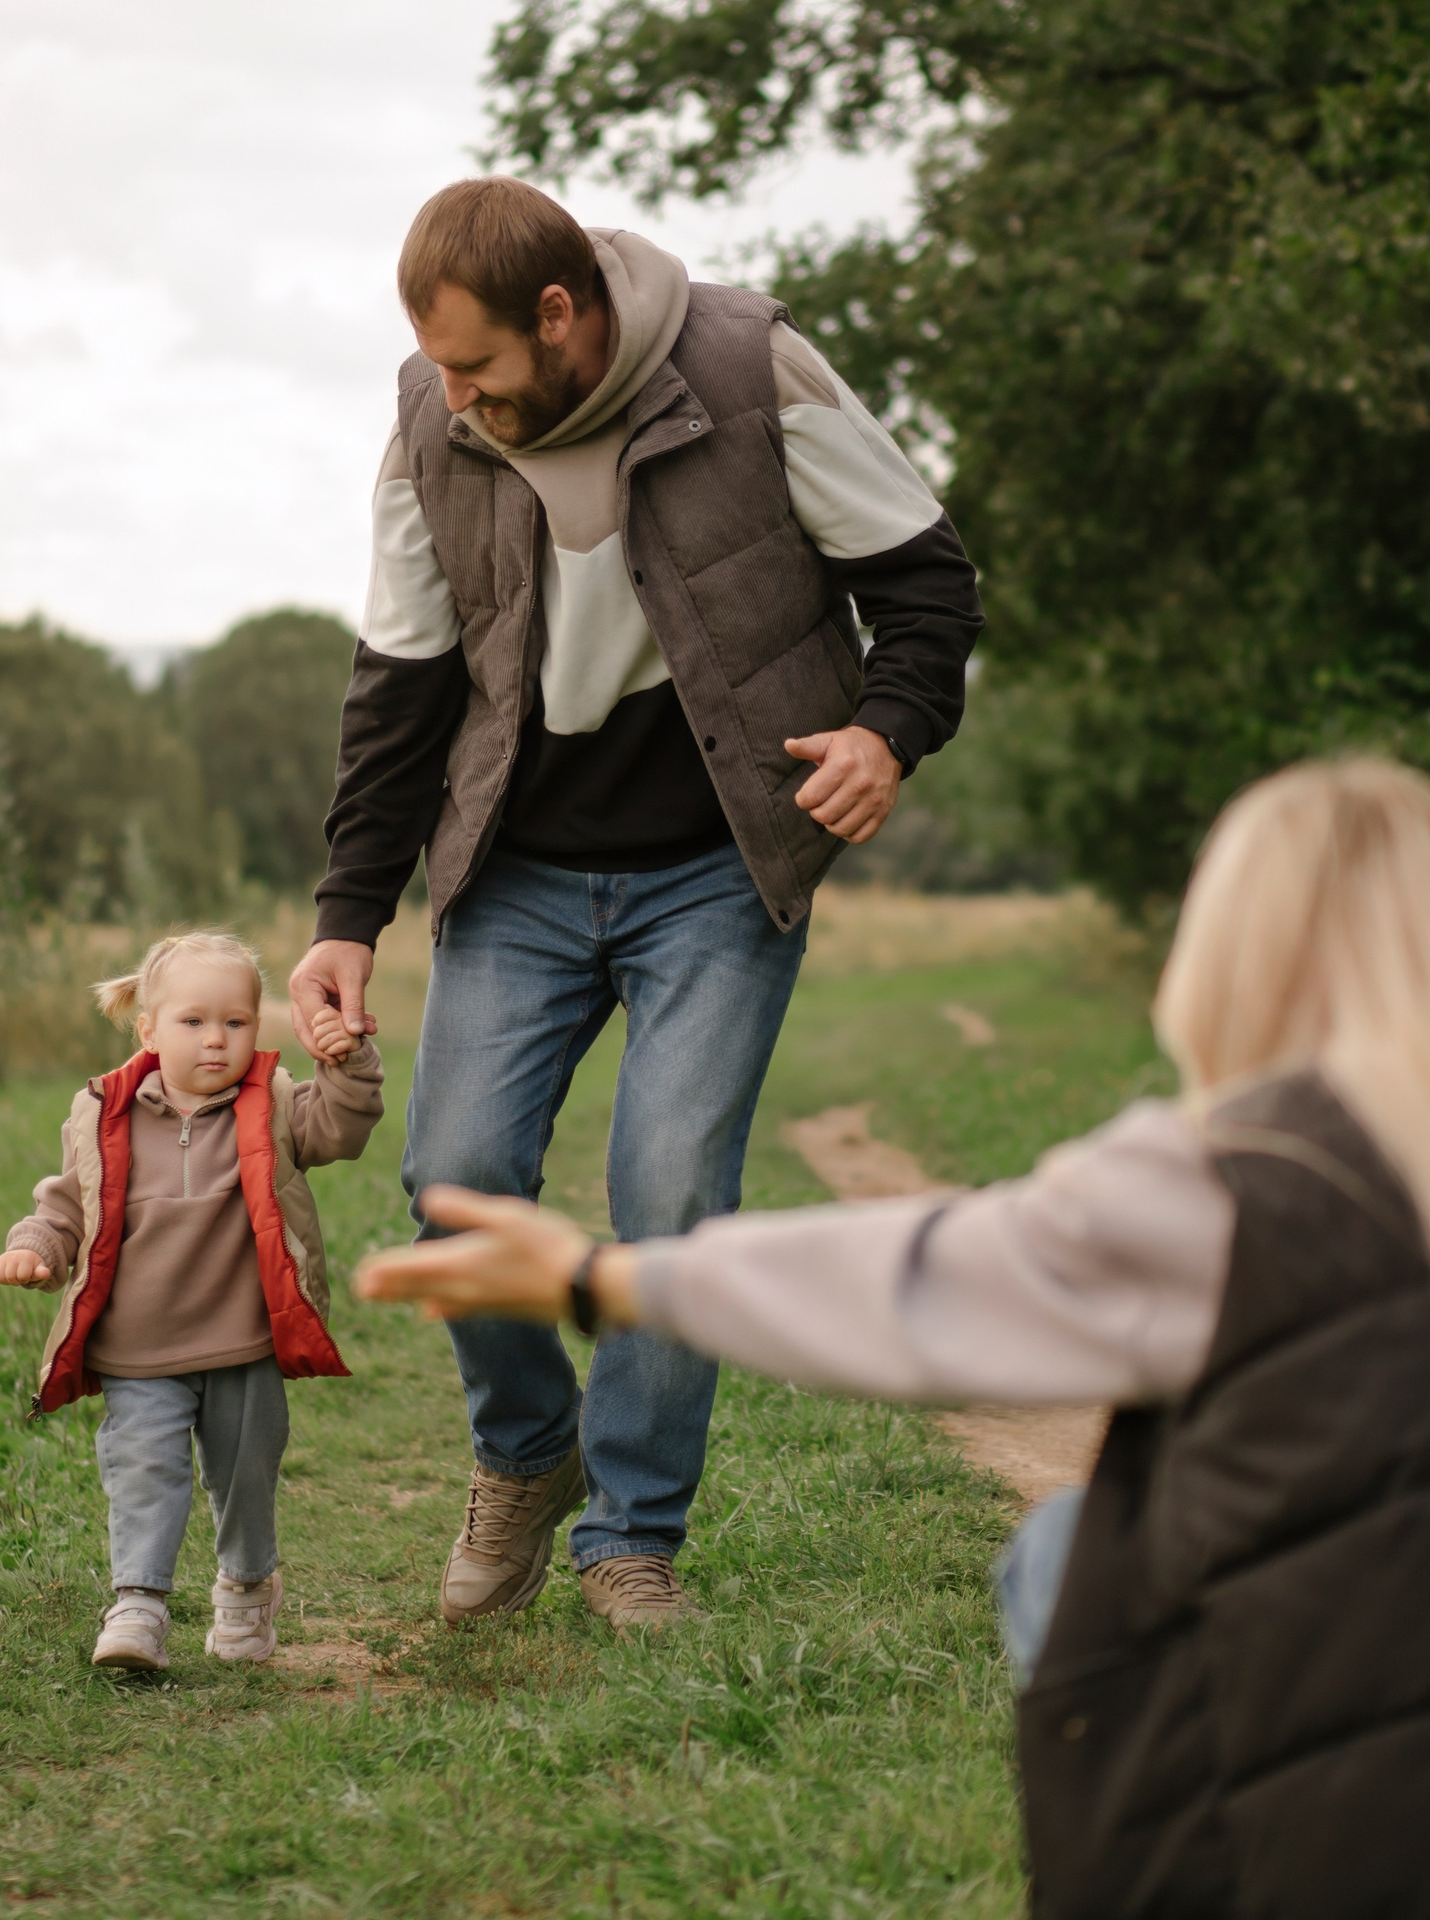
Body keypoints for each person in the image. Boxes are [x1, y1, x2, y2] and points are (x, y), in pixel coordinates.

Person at [355, 759, 1430, 1920]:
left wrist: (608, 1281)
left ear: (1241, 955)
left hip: (1411, 1857)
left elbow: (932, 1283)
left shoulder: (1252, 1167)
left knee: (1064, 1561)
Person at [287, 176, 985, 1631]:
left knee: (669, 1193)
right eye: (440, 371)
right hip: (520, 869)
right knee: (454, 1178)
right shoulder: (431, 424)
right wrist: (348, 917)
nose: (459, 398)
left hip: (718, 865)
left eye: (480, 367)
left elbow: (925, 584)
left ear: (562, 315)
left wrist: (886, 732)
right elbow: (400, 688)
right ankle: (527, 1455)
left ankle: (632, 1534)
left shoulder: (746, 368)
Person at [0, 931, 382, 1672]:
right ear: (149, 1029)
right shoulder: (106, 1115)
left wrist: (346, 1061)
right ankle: (138, 1603)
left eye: (236, 1023)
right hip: (139, 1349)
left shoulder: (273, 1106)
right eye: (193, 1022)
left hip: (245, 1344)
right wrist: (36, 1248)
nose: (216, 1041)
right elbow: (66, 1206)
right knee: (143, 1467)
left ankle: (244, 1586)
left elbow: (343, 1128)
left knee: (246, 1475)